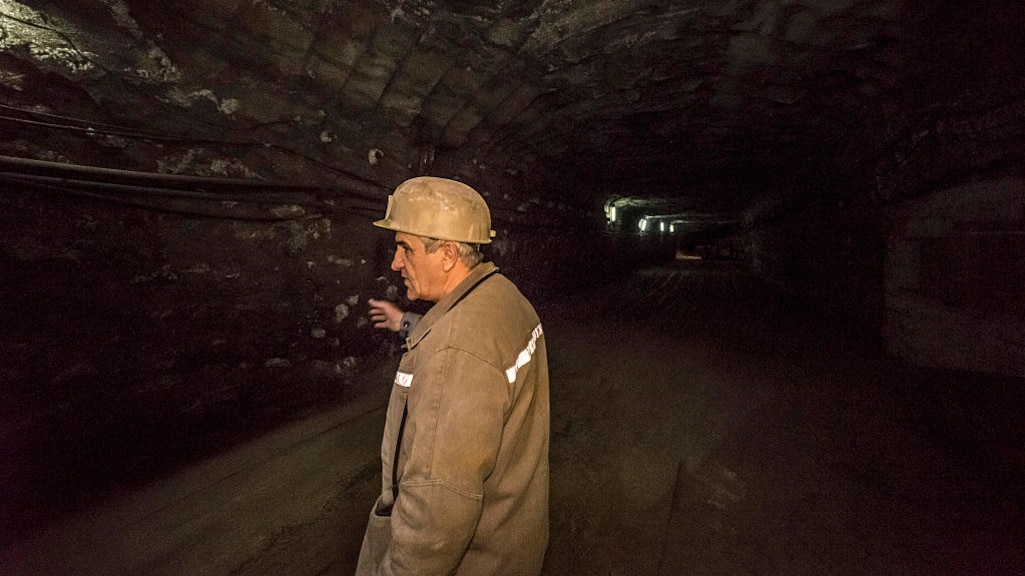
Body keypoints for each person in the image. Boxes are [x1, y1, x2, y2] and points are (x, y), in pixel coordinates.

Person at [356, 176, 550, 576]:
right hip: (510, 542)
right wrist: (406, 322)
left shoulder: (456, 354)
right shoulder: (503, 297)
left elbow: (436, 515)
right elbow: (464, 334)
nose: (395, 262)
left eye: (405, 247)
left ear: (446, 254)